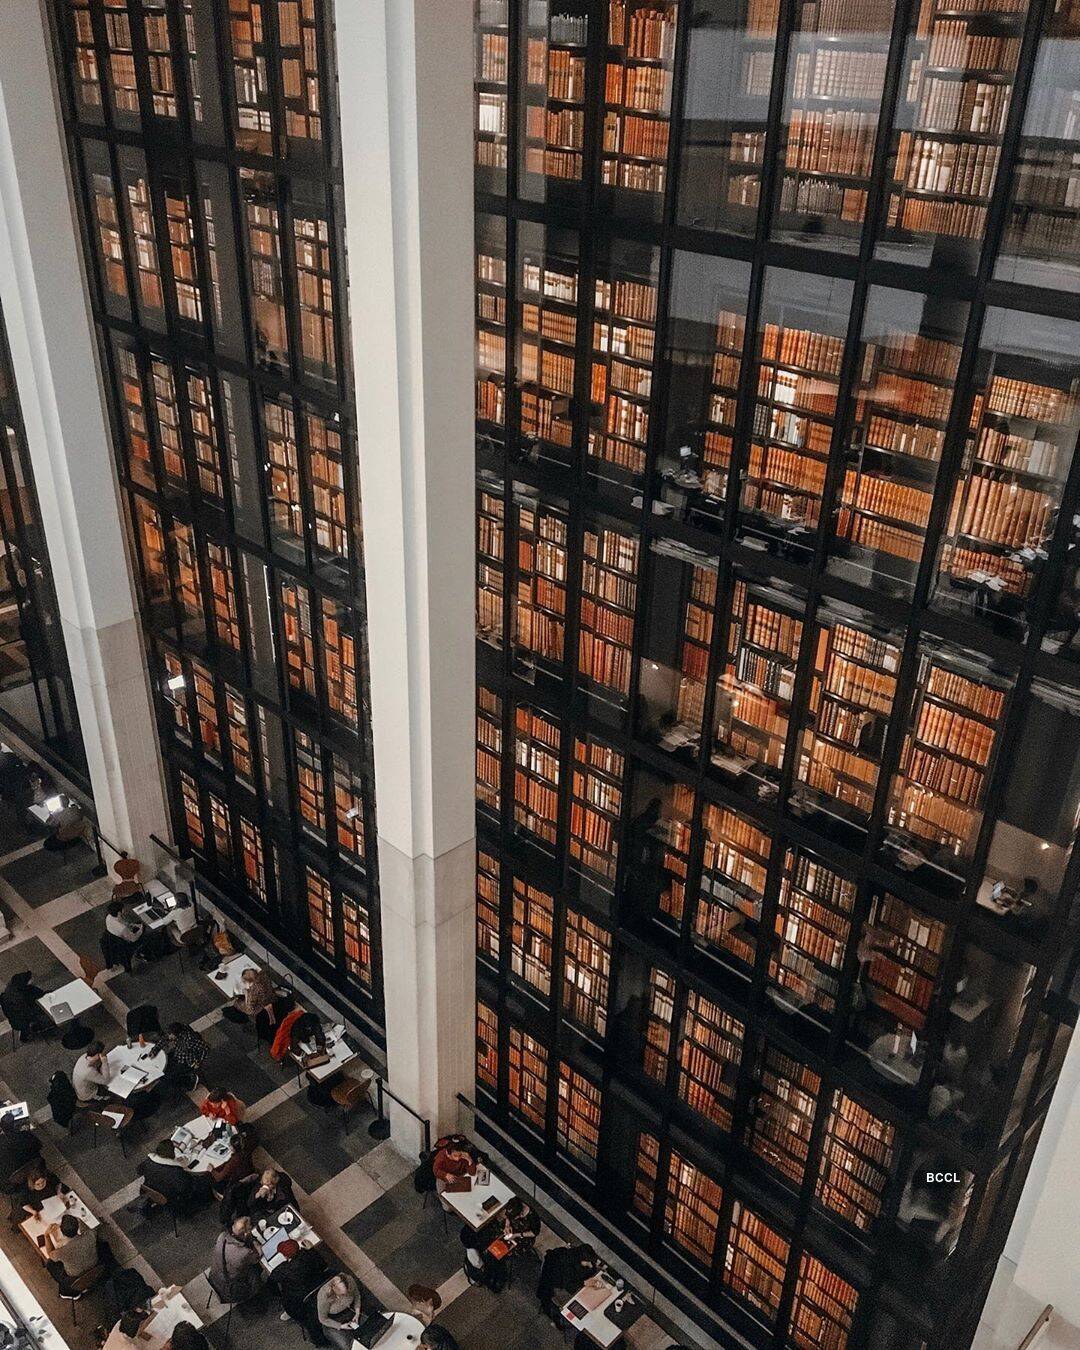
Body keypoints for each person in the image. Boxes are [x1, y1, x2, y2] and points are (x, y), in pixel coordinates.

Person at [465, 1197, 539, 1291]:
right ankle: (484, 1267)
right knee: (487, 1240)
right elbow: (508, 1217)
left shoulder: (533, 1216)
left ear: (520, 1214)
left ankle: (491, 1272)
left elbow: (534, 1232)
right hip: (511, 1232)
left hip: (523, 1238)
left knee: (495, 1254)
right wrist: (507, 1225)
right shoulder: (515, 1202)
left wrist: (516, 1235)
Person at [139, 1139, 211, 1214]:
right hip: (175, 1199)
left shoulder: (147, 1162)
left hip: (157, 1189)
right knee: (204, 1180)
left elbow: (139, 1170)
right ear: (172, 1154)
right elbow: (187, 1187)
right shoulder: (175, 1172)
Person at [267, 1237, 326, 1324]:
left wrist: (280, 1295)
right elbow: (323, 1265)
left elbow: (271, 1283)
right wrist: (312, 1249)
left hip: (298, 1296)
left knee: (289, 1300)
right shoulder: (309, 1255)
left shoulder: (283, 1269)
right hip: (316, 1285)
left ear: (285, 1256)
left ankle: (290, 1312)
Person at [209, 1216, 265, 1306]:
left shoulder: (222, 1236)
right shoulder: (244, 1253)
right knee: (255, 1270)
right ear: (246, 1234)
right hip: (229, 1290)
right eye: (250, 1228)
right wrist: (256, 1243)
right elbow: (258, 1256)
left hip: (214, 1277)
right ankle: (254, 1294)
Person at [536, 1242, 598, 1314]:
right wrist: (585, 1282)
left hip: (552, 1272)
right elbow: (570, 1286)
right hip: (555, 1281)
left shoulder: (572, 1254)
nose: (589, 1263)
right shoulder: (569, 1267)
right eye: (588, 1261)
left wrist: (591, 1267)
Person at [43, 1213, 98, 1292]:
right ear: (77, 1227)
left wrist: (46, 1235)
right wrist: (77, 1220)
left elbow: (50, 1254)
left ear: (61, 1231)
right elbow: (86, 1229)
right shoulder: (92, 1234)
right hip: (94, 1264)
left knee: (49, 1263)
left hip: (75, 1275)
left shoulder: (61, 1252)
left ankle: (67, 1291)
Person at [221, 1168, 294, 1224]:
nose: (267, 1186)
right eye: (265, 1183)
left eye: (270, 1184)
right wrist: (257, 1195)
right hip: (259, 1211)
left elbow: (285, 1202)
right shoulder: (258, 1187)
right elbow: (250, 1204)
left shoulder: (281, 1190)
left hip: (276, 1211)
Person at [315, 1272, 364, 1350]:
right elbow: (322, 1319)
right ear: (333, 1288)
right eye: (341, 1294)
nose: (344, 1296)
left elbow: (357, 1295)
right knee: (348, 1347)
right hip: (333, 1320)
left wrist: (357, 1313)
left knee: (366, 1335)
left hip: (351, 1312)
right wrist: (340, 1326)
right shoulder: (324, 1295)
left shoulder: (350, 1280)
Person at [0, 971, 51, 1042]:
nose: (32, 980)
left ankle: (28, 1032)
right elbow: (28, 1012)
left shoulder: (10, 991)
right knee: (43, 1014)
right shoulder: (20, 998)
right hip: (21, 1021)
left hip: (14, 1019)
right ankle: (34, 1029)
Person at [105, 899, 146, 971]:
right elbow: (134, 939)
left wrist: (133, 925)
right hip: (123, 943)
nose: (124, 909)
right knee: (146, 936)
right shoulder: (122, 928)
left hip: (111, 937)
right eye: (122, 909)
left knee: (138, 924)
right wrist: (141, 929)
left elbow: (121, 921)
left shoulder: (109, 917)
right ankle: (141, 953)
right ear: (119, 913)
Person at [0, 1112, 41, 1179]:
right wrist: (28, 1132)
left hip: (17, 1172)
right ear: (14, 1124)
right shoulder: (25, 1135)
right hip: (34, 1163)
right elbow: (39, 1145)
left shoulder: (2, 1142)